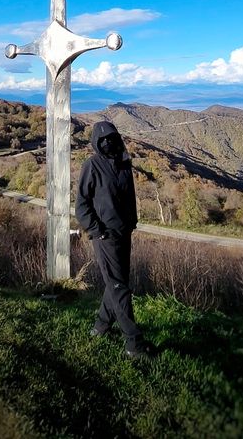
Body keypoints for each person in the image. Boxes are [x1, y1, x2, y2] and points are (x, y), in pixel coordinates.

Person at [75, 120, 151, 358]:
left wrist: (132, 222)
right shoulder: (92, 165)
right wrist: (96, 230)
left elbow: (130, 197)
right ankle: (133, 343)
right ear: (96, 143)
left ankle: (101, 326)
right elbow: (81, 203)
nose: (108, 143)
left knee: (117, 283)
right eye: (103, 140)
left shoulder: (124, 164)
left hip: (124, 233)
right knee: (120, 288)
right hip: (105, 236)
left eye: (112, 138)